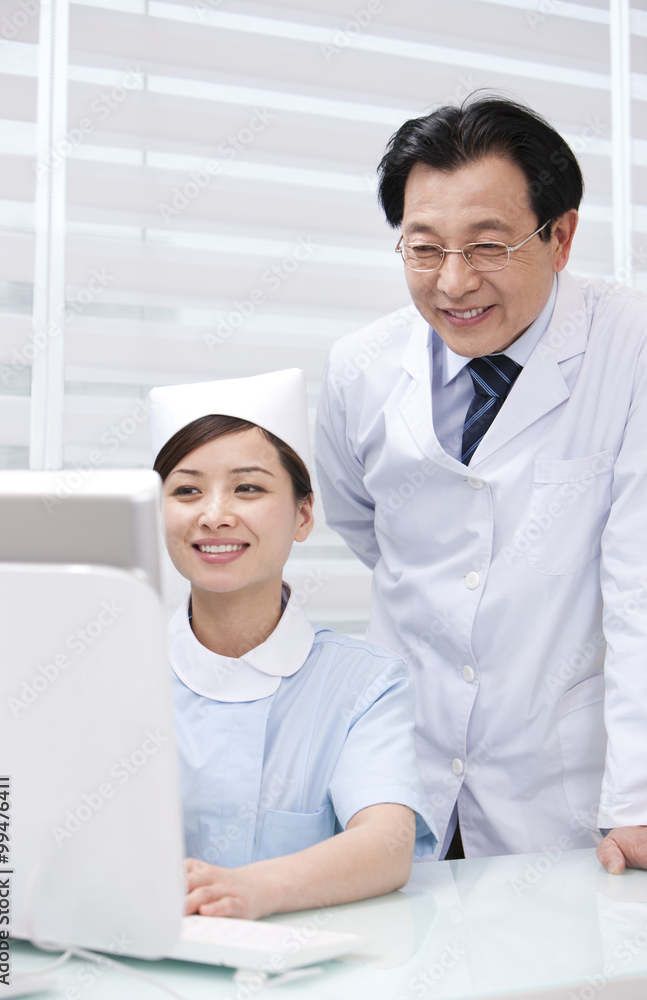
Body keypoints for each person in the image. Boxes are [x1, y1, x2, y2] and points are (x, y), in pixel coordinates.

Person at [314, 96, 647, 873]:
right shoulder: (358, 367)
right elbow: (363, 526)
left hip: (571, 787)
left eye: (487, 246)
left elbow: (639, 585)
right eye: (423, 249)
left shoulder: (628, 343)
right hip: (407, 774)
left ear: (560, 236)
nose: (453, 283)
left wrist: (637, 799)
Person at [148, 368, 436, 920]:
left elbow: (388, 844)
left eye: (248, 487)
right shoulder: (117, 675)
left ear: (304, 515)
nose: (214, 515)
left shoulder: (366, 684)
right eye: (186, 490)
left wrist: (254, 890)